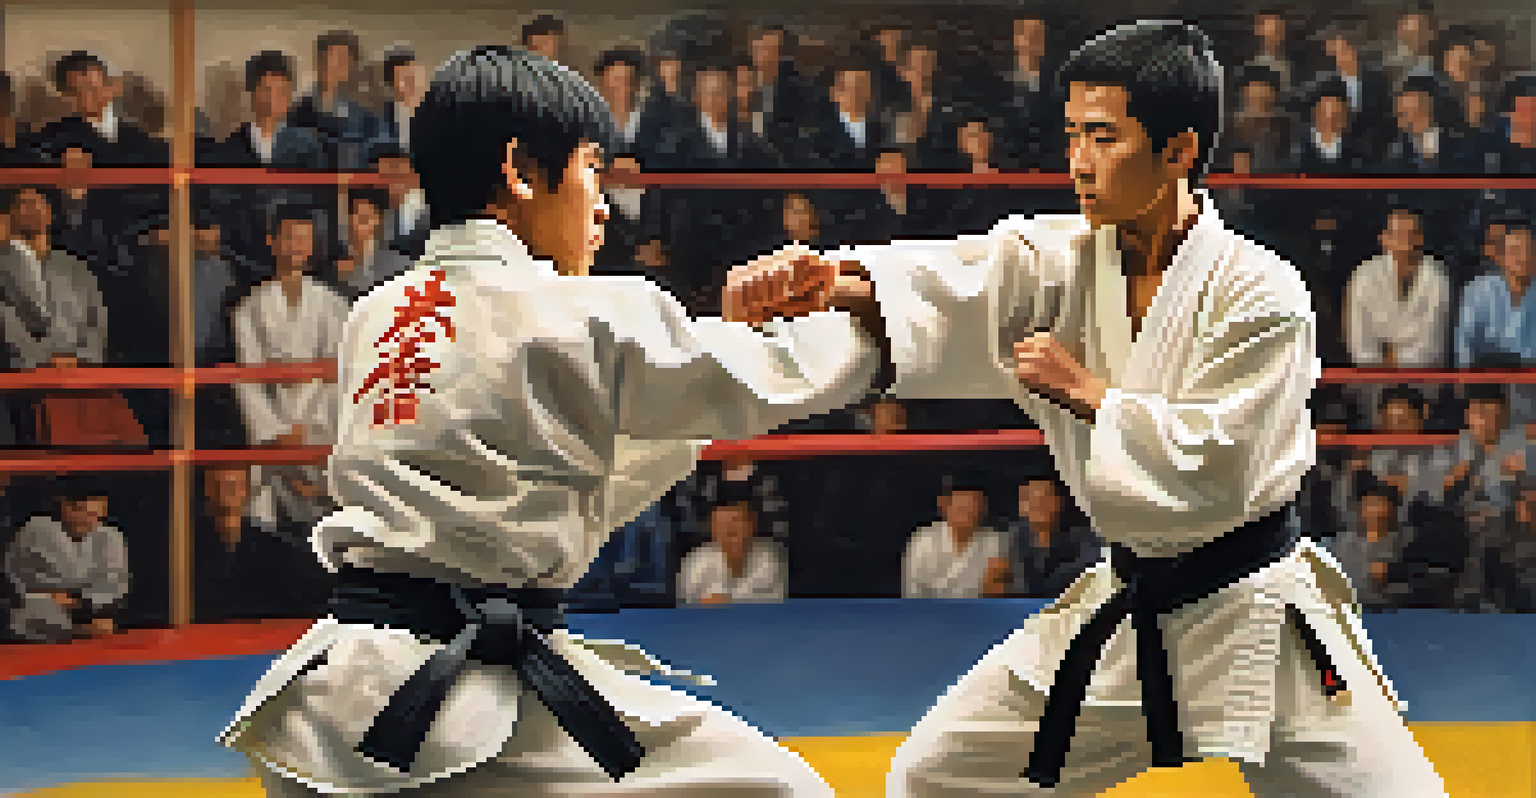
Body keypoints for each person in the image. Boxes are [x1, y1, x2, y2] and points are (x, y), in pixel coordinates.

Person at [730, 19, 1446, 797]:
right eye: (1072, 134)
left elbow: (1222, 468)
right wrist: (827, 281)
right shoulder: (1062, 262)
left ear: (1178, 150)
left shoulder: (1262, 292)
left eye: (1103, 138)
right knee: (938, 775)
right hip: (1132, 612)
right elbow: (957, 285)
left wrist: (1092, 395)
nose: (1078, 160)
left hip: (1258, 617)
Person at [219, 45, 887, 797]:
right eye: (591, 168)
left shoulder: (377, 312)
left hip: (327, 700)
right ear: (518, 170)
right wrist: (876, 310)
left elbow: (555, 475)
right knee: (781, 789)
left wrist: (720, 342)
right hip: (452, 708)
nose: (601, 204)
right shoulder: (581, 310)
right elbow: (772, 375)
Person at [4, 477, 128, 642]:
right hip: (33, 624)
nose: (91, 522)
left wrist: (81, 601)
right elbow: (61, 583)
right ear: (65, 507)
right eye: (84, 513)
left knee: (103, 628)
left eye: (97, 516)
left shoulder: (108, 536)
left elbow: (113, 588)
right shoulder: (39, 530)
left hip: (84, 616)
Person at [902, 472, 1010, 599]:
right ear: (944, 506)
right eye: (960, 504)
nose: (968, 511)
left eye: (973, 503)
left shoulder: (995, 542)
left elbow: (996, 594)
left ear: (983, 507)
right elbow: (912, 593)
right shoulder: (923, 540)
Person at [677, 486, 787, 606]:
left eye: (737, 521)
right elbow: (685, 611)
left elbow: (775, 608)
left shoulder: (769, 560)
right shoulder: (695, 566)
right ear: (712, 529)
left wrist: (728, 602)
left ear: (751, 524)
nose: (731, 530)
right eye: (723, 524)